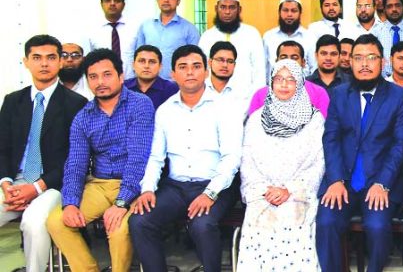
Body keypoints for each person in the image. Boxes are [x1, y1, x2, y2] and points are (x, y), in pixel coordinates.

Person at [129, 45, 243, 272]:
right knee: (140, 221)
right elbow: (155, 157)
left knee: (202, 225)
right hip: (175, 187)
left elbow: (232, 157)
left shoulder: (226, 107)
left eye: (196, 66)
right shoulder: (164, 110)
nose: (190, 72)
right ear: (172, 74)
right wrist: (148, 189)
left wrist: (209, 194)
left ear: (206, 71)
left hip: (216, 186)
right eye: (183, 67)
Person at [46, 49, 155, 272]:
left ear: (120, 76)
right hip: (99, 184)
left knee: (118, 228)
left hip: (135, 185)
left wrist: (122, 203)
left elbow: (138, 159)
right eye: (93, 77)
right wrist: (70, 204)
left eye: (107, 74)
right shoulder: (83, 117)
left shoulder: (139, 104)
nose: (100, 82)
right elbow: (75, 165)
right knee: (57, 222)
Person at [316, 34, 403, 272]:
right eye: (358, 58)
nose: (365, 64)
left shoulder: (399, 96)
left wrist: (383, 183)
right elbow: (331, 138)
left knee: (377, 227)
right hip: (344, 180)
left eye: (371, 57)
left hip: (380, 179)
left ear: (383, 62)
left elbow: (400, 145)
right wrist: (336, 179)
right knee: (326, 222)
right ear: (349, 61)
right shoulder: (339, 94)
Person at [0, 35, 87, 272]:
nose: (44, 64)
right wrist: (6, 182)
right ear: (26, 62)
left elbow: (75, 160)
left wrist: (36, 187)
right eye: (36, 58)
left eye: (51, 57)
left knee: (33, 222)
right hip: (14, 184)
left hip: (53, 185)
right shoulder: (12, 101)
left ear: (60, 62)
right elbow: (3, 148)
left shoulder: (77, 103)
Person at [237, 59, 326, 270]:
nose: (284, 85)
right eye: (278, 79)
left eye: (291, 80)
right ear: (271, 83)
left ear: (300, 84)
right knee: (258, 217)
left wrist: (290, 190)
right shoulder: (256, 119)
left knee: (292, 219)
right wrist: (263, 190)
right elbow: (247, 160)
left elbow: (317, 163)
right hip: (263, 194)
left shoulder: (314, 120)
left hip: (297, 194)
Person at [198, 0, 266, 92]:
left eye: (232, 7)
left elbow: (259, 70)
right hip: (213, 97)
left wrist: (256, 99)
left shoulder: (251, 34)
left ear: (239, 9)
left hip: (245, 98)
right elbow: (202, 69)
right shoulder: (207, 36)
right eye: (223, 7)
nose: (227, 12)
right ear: (216, 9)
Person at [134, 0, 201, 81]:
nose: (166, 0)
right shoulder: (145, 26)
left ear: (178, 1)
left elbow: (195, 60)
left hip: (176, 85)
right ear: (157, 0)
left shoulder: (189, 29)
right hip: (148, 85)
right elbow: (138, 57)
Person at [246, 40, 330, 118]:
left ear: (303, 63)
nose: (289, 61)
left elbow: (323, 127)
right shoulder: (260, 95)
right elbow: (253, 128)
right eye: (283, 57)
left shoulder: (319, 93)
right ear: (276, 61)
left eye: (294, 57)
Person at [87, 0, 136, 76]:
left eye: (117, 0)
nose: (112, 3)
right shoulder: (92, 31)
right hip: (103, 83)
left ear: (123, 5)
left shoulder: (135, 29)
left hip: (131, 82)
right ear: (101, 4)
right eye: (108, 0)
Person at [263, 0, 312, 77]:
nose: (289, 14)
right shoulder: (268, 37)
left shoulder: (309, 37)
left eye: (294, 11)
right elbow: (264, 68)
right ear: (279, 12)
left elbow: (314, 68)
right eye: (285, 10)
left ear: (300, 13)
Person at [307, 0, 354, 72]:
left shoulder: (350, 26)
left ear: (341, 8)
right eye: (327, 5)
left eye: (335, 4)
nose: (331, 8)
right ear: (321, 8)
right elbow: (312, 57)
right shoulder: (314, 28)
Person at [123, 45, 179, 110]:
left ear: (160, 67)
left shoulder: (172, 89)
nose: (146, 66)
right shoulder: (123, 88)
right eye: (142, 61)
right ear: (133, 65)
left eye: (152, 62)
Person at [205, 41, 252, 114]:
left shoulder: (244, 91)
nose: (225, 65)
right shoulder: (198, 89)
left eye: (230, 61)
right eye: (220, 60)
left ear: (234, 65)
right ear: (210, 62)